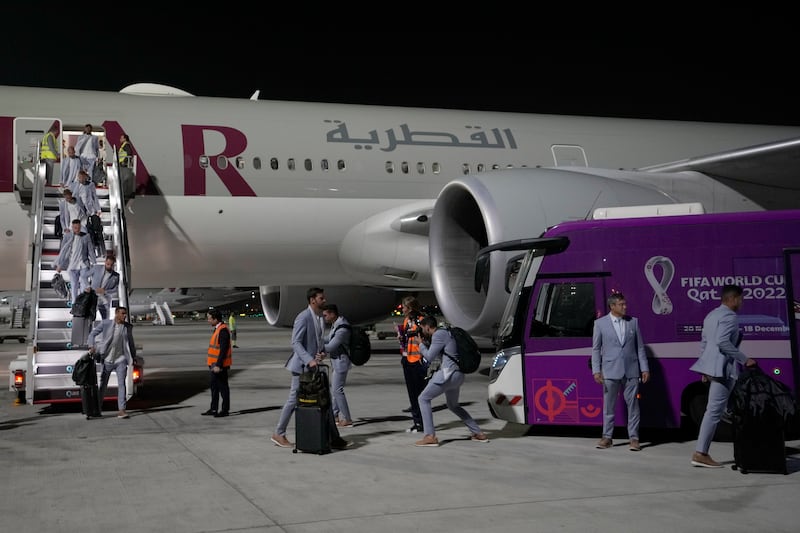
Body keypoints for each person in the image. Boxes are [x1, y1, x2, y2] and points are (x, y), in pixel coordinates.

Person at [270, 287, 350, 450]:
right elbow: (296, 342)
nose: (324, 300)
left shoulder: (319, 318)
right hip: (301, 367)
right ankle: (279, 433)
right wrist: (309, 360)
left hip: (314, 367)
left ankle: (334, 437)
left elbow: (318, 340)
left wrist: (320, 354)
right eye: (321, 298)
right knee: (294, 399)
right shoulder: (303, 317)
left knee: (324, 400)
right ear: (312, 300)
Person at [689, 284, 756, 468]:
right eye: (741, 299)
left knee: (723, 409)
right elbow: (722, 342)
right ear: (733, 298)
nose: (742, 302)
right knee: (713, 412)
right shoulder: (730, 317)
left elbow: (704, 342)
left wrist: (704, 368)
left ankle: (746, 445)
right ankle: (701, 453)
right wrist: (745, 359)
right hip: (722, 370)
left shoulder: (711, 315)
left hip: (712, 369)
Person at [414, 316, 489, 447]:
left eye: (422, 329)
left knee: (423, 399)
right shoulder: (446, 332)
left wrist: (420, 345)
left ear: (427, 327)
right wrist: (426, 344)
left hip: (447, 375)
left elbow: (430, 357)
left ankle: (429, 436)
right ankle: (478, 433)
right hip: (457, 376)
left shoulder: (438, 334)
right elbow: (442, 354)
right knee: (453, 405)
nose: (422, 331)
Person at [591, 292, 650, 451]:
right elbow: (596, 349)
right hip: (610, 371)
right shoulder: (600, 324)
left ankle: (634, 438)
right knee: (609, 406)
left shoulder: (633, 322)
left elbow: (640, 348)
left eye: (625, 304)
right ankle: (607, 437)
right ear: (612, 306)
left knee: (633, 405)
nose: (625, 307)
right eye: (621, 304)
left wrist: (644, 368)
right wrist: (596, 370)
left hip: (631, 370)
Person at [87, 306, 136, 419]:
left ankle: (122, 410)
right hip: (107, 359)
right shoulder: (106, 324)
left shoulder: (127, 327)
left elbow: (131, 344)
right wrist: (91, 346)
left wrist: (133, 356)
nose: (124, 316)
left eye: (125, 314)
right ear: (116, 313)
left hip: (121, 359)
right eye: (122, 313)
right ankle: (97, 410)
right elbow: (92, 334)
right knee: (103, 385)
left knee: (121, 384)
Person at [397, 295, 427, 433]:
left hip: (418, 361)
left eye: (404, 307)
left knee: (420, 394)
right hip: (407, 360)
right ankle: (417, 422)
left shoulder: (422, 321)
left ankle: (424, 423)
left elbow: (426, 339)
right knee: (412, 395)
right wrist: (401, 337)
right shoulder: (406, 321)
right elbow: (406, 340)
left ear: (410, 308)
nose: (402, 309)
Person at [322, 303, 353, 427]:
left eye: (325, 315)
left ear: (332, 314)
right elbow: (328, 339)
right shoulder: (337, 324)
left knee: (337, 390)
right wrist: (317, 339)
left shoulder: (342, 328)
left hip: (341, 362)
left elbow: (331, 346)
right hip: (336, 361)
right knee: (335, 390)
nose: (324, 318)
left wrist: (317, 347)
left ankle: (347, 418)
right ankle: (334, 415)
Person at [54, 219, 96, 304]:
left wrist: (94, 261)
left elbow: (90, 250)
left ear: (80, 227)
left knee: (84, 284)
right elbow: (63, 251)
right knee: (74, 286)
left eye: (78, 227)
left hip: (83, 264)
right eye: (75, 227)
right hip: (72, 265)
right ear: (72, 227)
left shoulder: (86, 236)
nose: (76, 229)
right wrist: (60, 265)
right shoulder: (67, 236)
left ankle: (83, 304)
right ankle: (75, 305)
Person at [202, 309, 232, 418]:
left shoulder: (223, 331)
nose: (208, 321)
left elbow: (223, 350)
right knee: (214, 387)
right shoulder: (217, 329)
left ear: (215, 319)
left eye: (209, 318)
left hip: (220, 365)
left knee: (223, 388)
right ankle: (214, 408)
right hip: (214, 364)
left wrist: (219, 365)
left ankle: (225, 410)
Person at [83, 254, 119, 320]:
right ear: (105, 262)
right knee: (89, 318)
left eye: (111, 265)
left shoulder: (116, 276)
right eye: (108, 264)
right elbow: (84, 276)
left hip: (105, 299)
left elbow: (115, 290)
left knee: (106, 319)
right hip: (93, 296)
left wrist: (105, 291)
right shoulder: (97, 268)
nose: (109, 266)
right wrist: (88, 286)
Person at [40, 121, 60, 185]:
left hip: (45, 157)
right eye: (56, 132)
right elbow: (51, 148)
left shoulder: (46, 136)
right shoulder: (50, 136)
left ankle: (46, 184)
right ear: (55, 131)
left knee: (45, 173)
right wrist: (57, 155)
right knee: (49, 173)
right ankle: (48, 185)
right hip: (49, 158)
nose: (56, 134)